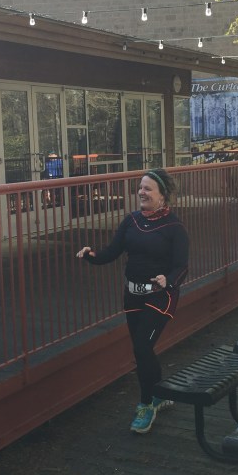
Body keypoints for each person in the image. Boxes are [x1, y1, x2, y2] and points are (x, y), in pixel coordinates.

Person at [76, 168, 189, 435]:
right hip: (133, 295)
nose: (141, 192)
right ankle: (159, 394)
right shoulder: (131, 221)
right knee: (142, 350)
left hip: (160, 296)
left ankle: (146, 404)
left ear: (162, 196)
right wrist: (91, 255)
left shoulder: (174, 228)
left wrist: (168, 280)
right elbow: (111, 252)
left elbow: (181, 267)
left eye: (148, 188)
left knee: (141, 347)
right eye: (140, 187)